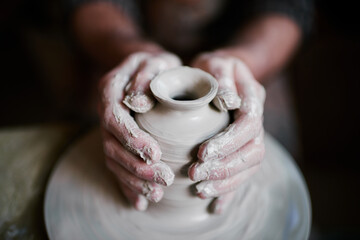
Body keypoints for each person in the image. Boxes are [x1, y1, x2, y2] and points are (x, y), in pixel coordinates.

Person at [67, 0, 313, 213]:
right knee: (97, 141)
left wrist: (243, 61)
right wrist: (130, 50)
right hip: (126, 48)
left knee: (271, 160)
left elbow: (289, 6)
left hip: (243, 53)